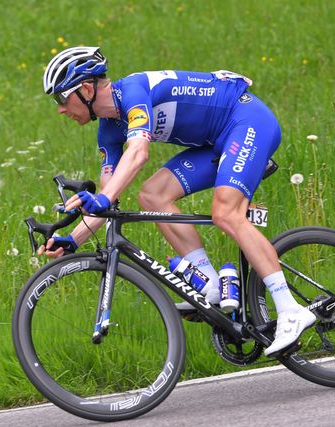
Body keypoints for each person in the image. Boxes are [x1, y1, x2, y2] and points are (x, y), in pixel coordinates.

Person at [39, 46, 316, 356]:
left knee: (226, 213)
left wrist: (102, 198)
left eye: (61, 98)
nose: (60, 109)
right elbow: (108, 198)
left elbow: (138, 152)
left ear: (87, 90)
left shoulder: (132, 93)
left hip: (246, 121)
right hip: (216, 142)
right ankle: (212, 285)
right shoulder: (108, 131)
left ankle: (290, 309)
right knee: (152, 195)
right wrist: (72, 241)